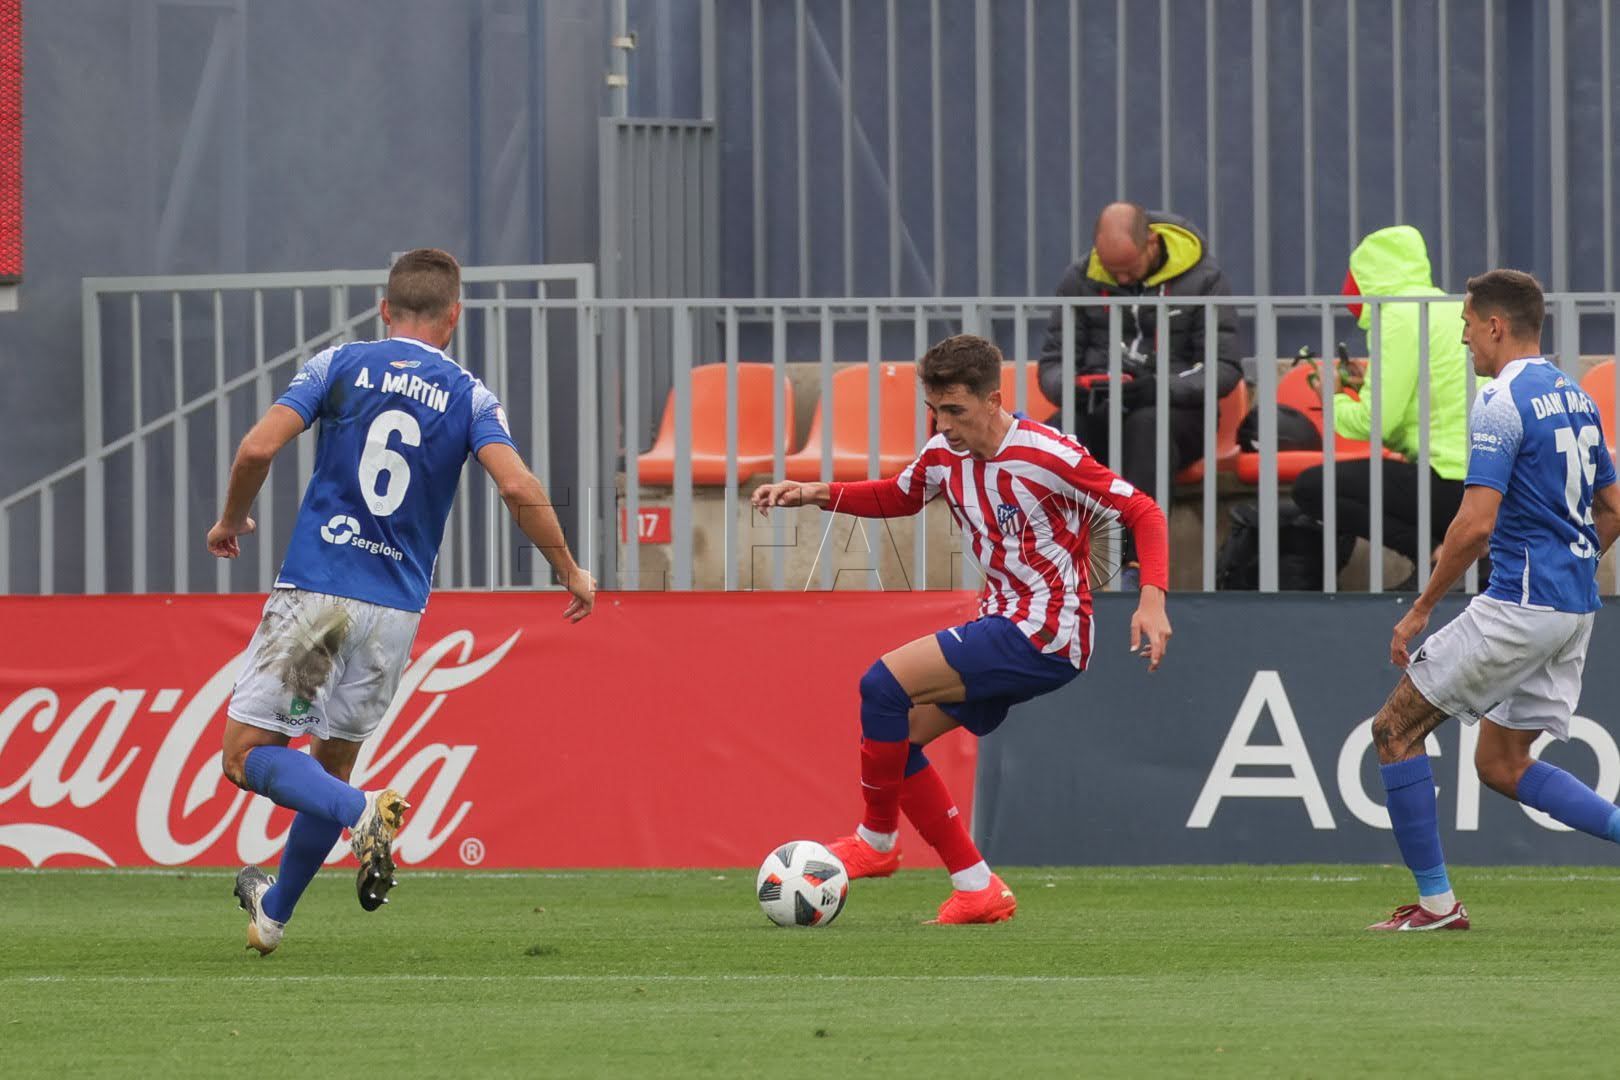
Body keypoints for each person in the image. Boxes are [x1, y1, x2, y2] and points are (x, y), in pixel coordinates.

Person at [207, 248, 595, 955]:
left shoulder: (337, 365)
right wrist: (567, 567)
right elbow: (517, 486)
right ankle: (273, 916)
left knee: (246, 756)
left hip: (321, 599)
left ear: (384, 308)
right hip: (395, 615)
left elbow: (257, 449)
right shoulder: (471, 396)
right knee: (330, 765)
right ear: (455, 316)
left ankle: (362, 813)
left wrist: (231, 520)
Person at [752, 334, 1172, 924]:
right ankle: (977, 888)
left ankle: (876, 841)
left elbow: (1143, 511)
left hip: (1046, 629)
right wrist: (816, 492)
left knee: (881, 684)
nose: (944, 424)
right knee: (899, 741)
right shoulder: (942, 455)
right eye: (935, 410)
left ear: (993, 399)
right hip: (1002, 620)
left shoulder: (1048, 454)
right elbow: (899, 496)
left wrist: (1151, 600)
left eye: (955, 410)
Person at [1366, 269, 1620, 932]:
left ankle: (1437, 906)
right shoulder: (1575, 395)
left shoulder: (1502, 401)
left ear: (1496, 326)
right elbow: (1615, 506)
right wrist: (1575, 563)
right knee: (1501, 764)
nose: (1465, 340)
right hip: (1572, 611)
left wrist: (1421, 607)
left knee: (1394, 731)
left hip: (1520, 607)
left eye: (1467, 327)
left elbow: (1475, 524)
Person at [1292, 226, 1475, 587]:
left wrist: (1333, 399)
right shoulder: (1451, 308)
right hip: (1484, 481)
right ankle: (1450, 557)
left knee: (1312, 487)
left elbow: (1377, 423)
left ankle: (1435, 554)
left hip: (1447, 481)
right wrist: (1365, 388)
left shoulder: (1396, 316)